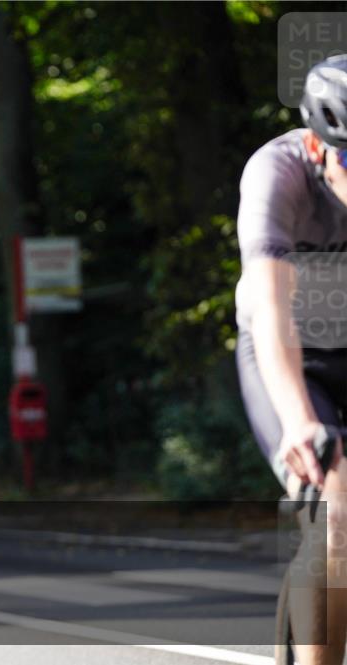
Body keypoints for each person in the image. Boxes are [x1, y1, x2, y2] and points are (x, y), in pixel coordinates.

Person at [235, 54, 347, 665]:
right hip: (287, 350)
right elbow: (272, 310)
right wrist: (302, 422)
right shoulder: (276, 174)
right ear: (317, 143)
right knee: (337, 518)